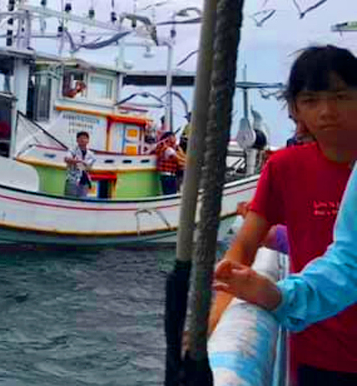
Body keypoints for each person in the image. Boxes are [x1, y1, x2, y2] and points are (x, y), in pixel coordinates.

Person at [208, 45, 357, 384]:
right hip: (321, 351)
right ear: (294, 110)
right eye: (311, 100)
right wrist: (214, 321)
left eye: (341, 97)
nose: (327, 111)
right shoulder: (285, 168)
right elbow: (243, 247)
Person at [214, 168, 357, 351]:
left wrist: (280, 296)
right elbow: (349, 260)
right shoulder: (284, 166)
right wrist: (278, 296)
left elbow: (348, 262)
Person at [150, 130, 185, 195]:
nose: (175, 139)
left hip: (171, 175)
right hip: (167, 175)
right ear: (168, 138)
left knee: (171, 193)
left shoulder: (172, 148)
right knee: (170, 194)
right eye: (173, 137)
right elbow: (178, 159)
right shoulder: (166, 148)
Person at [64, 130, 95, 198]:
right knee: (70, 200)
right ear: (77, 140)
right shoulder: (72, 150)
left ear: (88, 141)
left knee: (82, 201)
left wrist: (84, 165)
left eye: (85, 138)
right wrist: (77, 161)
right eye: (80, 138)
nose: (83, 140)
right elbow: (66, 159)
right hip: (73, 180)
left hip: (85, 181)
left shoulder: (91, 154)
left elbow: (89, 167)